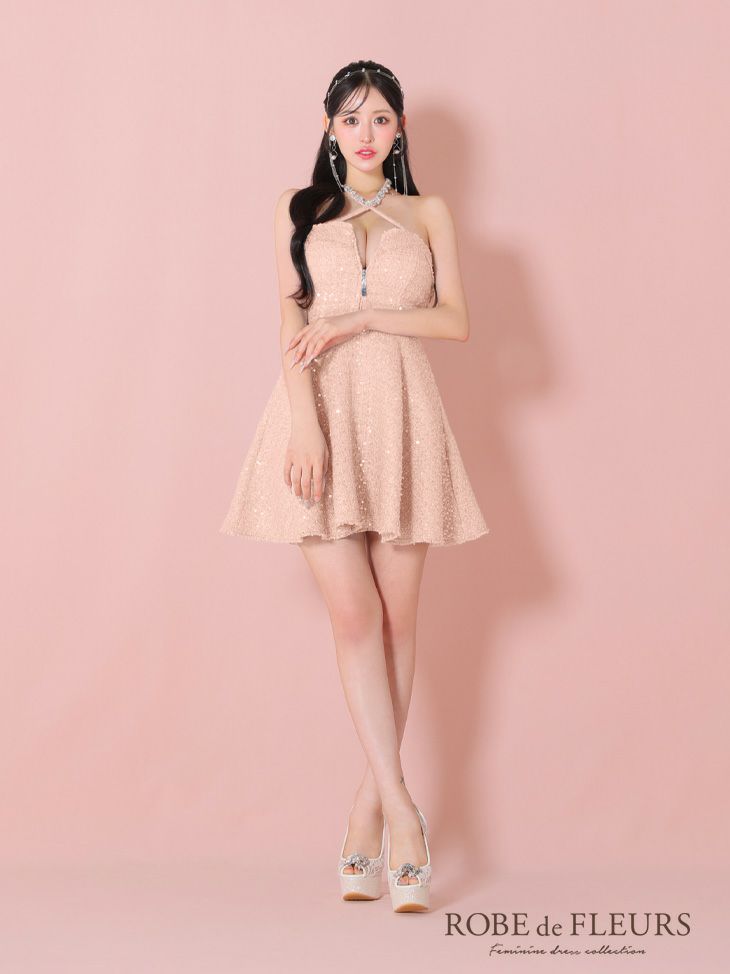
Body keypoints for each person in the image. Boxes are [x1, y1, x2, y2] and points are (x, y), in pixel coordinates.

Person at [220, 59, 490, 912]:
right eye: (350, 119)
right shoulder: (297, 210)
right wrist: (304, 425)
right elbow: (289, 318)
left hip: (404, 416)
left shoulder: (428, 212)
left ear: (400, 127)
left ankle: (369, 813)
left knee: (400, 622)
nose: (366, 133)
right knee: (354, 617)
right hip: (320, 419)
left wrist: (368, 316)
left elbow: (457, 320)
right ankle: (406, 813)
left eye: (380, 118)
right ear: (329, 129)